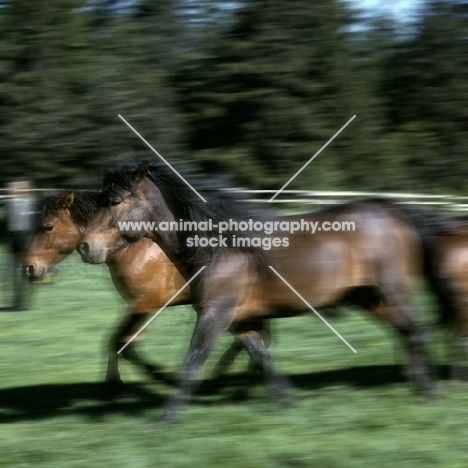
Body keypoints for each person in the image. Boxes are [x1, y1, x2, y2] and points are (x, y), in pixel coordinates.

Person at [5, 179, 36, 311]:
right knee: (14, 272)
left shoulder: (31, 202)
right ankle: (18, 301)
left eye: (18, 188)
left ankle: (23, 301)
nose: (12, 191)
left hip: (26, 237)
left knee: (26, 271)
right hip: (15, 238)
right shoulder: (10, 201)